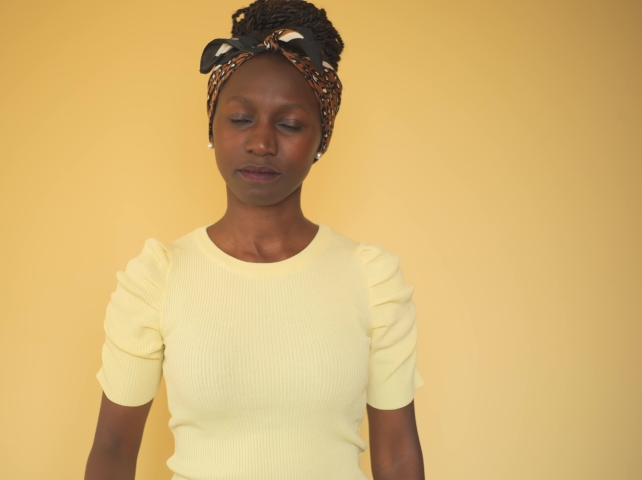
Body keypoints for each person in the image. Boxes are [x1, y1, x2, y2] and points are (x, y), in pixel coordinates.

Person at [84, 1, 425, 478]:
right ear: (212, 126)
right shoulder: (158, 277)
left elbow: (397, 456)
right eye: (241, 119)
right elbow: (113, 448)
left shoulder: (371, 280)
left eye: (289, 124)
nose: (262, 143)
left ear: (321, 140)